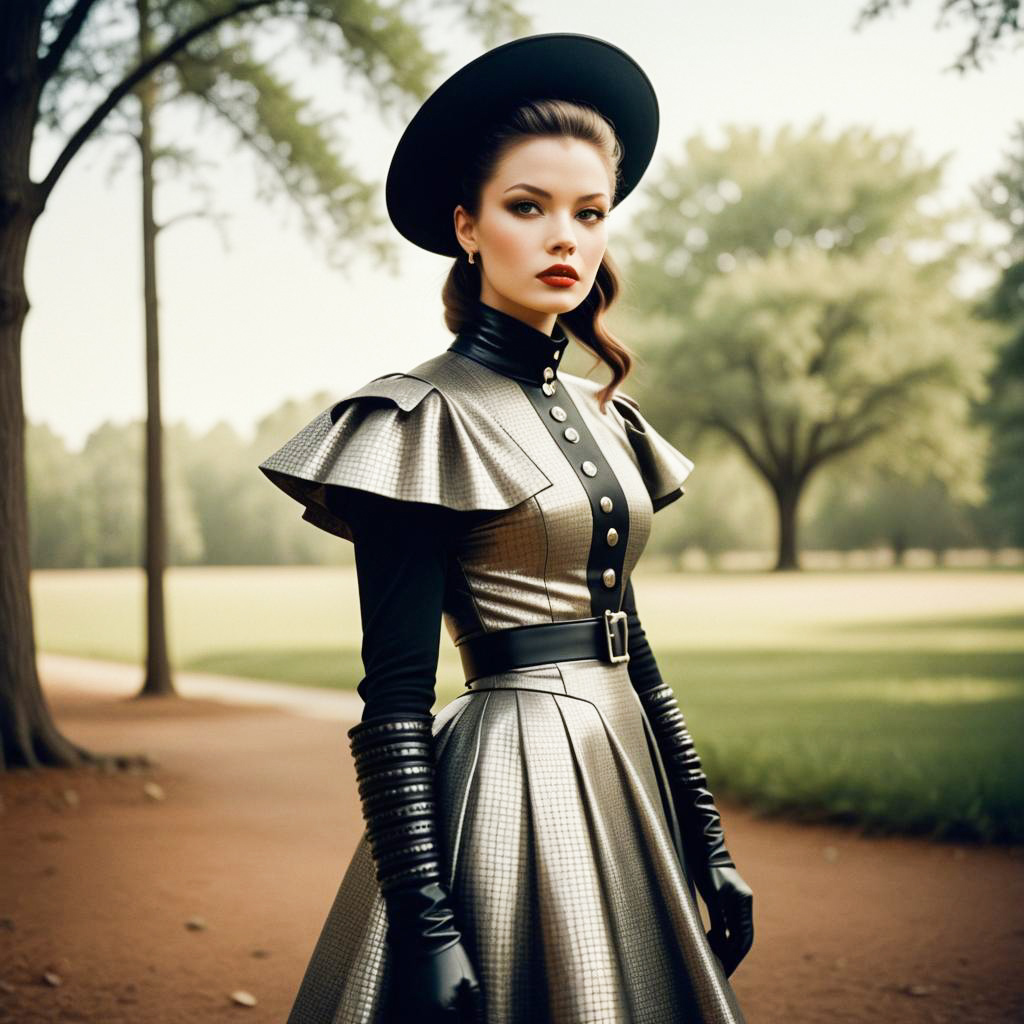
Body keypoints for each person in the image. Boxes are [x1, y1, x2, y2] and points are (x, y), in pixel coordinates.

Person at [259, 32, 754, 1024]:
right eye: (527, 208)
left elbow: (632, 643)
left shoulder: (610, 416)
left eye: (588, 212)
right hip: (511, 777)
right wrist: (429, 924)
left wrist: (709, 838)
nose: (564, 237)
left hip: (627, 770)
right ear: (467, 226)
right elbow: (394, 694)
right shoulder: (414, 418)